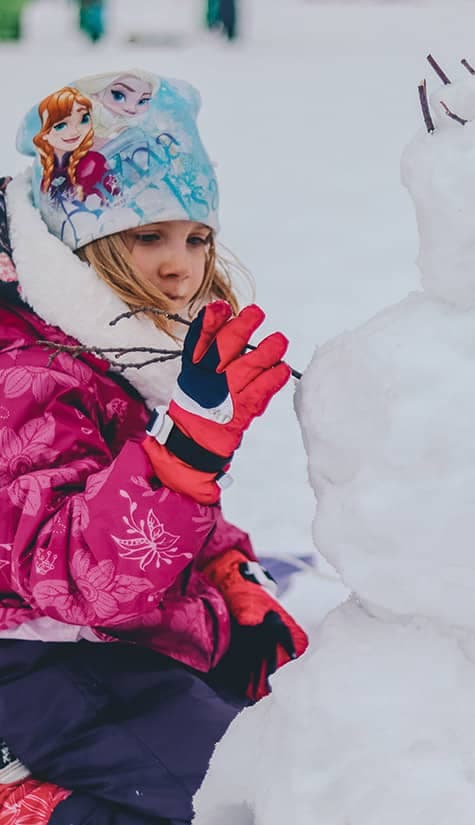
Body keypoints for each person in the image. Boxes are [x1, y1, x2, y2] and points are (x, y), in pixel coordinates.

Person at [0, 69, 308, 824]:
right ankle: (36, 807)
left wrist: (227, 570)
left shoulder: (121, 350)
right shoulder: (26, 374)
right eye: (149, 235)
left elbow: (164, 515)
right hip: (41, 663)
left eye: (196, 237)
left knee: (306, 743)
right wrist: (183, 456)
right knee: (244, 798)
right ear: (83, 241)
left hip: (131, 641)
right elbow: (72, 578)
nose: (181, 264)